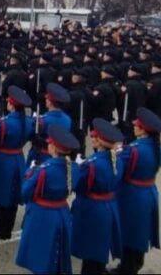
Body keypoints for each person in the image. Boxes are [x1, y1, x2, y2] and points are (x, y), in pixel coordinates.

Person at [15, 124, 80, 275]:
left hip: (43, 215)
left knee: (41, 254)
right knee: (56, 252)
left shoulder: (44, 170)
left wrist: (30, 171)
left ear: (54, 148)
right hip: (62, 212)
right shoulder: (74, 168)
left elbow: (25, 192)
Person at [114, 108, 161, 274]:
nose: (134, 127)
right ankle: (134, 264)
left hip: (132, 194)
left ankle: (127, 267)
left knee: (129, 232)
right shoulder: (160, 149)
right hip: (149, 191)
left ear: (143, 130)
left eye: (138, 126)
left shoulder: (133, 150)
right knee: (141, 231)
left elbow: (118, 172)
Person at [71, 118, 123, 275]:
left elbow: (78, 185)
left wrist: (76, 167)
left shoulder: (93, 164)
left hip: (92, 208)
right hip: (108, 206)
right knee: (100, 248)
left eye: (94, 137)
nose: (91, 138)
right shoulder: (116, 159)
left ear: (100, 142)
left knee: (90, 251)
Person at [0, 86, 33, 240]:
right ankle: (8, 226)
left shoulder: (6, 123)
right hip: (18, 157)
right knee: (12, 194)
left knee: (3, 193)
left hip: (3, 159)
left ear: (11, 104)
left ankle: (2, 228)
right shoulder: (28, 121)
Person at [27, 83, 72, 166]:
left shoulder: (43, 120)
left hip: (42, 156)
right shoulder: (67, 119)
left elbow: (31, 135)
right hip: (59, 155)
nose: (46, 100)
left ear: (50, 102)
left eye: (47, 99)